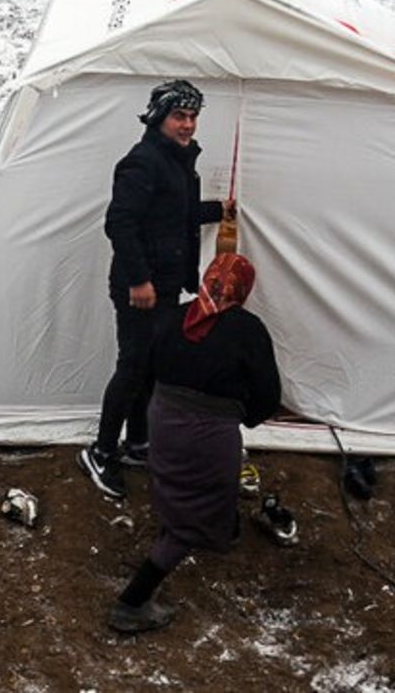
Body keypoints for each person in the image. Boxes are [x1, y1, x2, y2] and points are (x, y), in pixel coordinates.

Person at [108, 252, 286, 633]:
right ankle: (131, 602)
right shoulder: (247, 329)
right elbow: (269, 395)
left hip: (164, 421)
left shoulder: (174, 317)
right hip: (208, 435)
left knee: (180, 490)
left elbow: (147, 371)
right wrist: (238, 419)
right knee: (193, 518)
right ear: (243, 288)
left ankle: (213, 527)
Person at [79, 79, 232, 501]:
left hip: (164, 285)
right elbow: (120, 224)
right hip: (140, 287)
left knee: (150, 365)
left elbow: (174, 214)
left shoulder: (178, 160)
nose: (187, 124)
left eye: (192, 116)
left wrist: (217, 211)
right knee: (132, 367)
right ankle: (101, 451)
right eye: (179, 116)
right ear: (158, 117)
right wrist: (138, 280)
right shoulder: (143, 161)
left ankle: (139, 443)